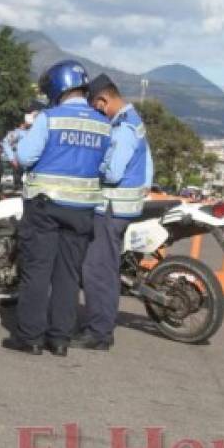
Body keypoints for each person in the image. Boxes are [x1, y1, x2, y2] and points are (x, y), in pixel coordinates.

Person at [4, 60, 111, 356]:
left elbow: (25, 156)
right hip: (82, 210)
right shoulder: (104, 124)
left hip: (45, 205)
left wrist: (22, 136)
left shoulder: (49, 118)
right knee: (67, 275)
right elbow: (108, 167)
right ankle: (60, 338)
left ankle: (30, 337)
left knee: (37, 271)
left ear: (56, 87)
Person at [74, 74, 153, 350]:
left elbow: (113, 172)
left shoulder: (122, 130)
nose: (97, 112)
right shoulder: (135, 122)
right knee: (106, 268)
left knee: (96, 269)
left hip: (111, 208)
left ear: (104, 100)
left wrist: (93, 168)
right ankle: (99, 326)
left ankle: (99, 332)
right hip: (124, 208)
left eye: (97, 106)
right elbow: (148, 164)